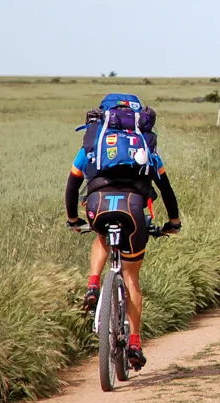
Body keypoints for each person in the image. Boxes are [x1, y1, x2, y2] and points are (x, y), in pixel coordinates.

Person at [65, 93, 182, 371]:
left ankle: (94, 283)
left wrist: (73, 219)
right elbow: (166, 190)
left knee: (101, 236)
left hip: (97, 206)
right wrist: (173, 222)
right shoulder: (147, 146)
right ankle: (135, 343)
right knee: (131, 278)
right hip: (134, 210)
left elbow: (71, 187)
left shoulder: (93, 143)